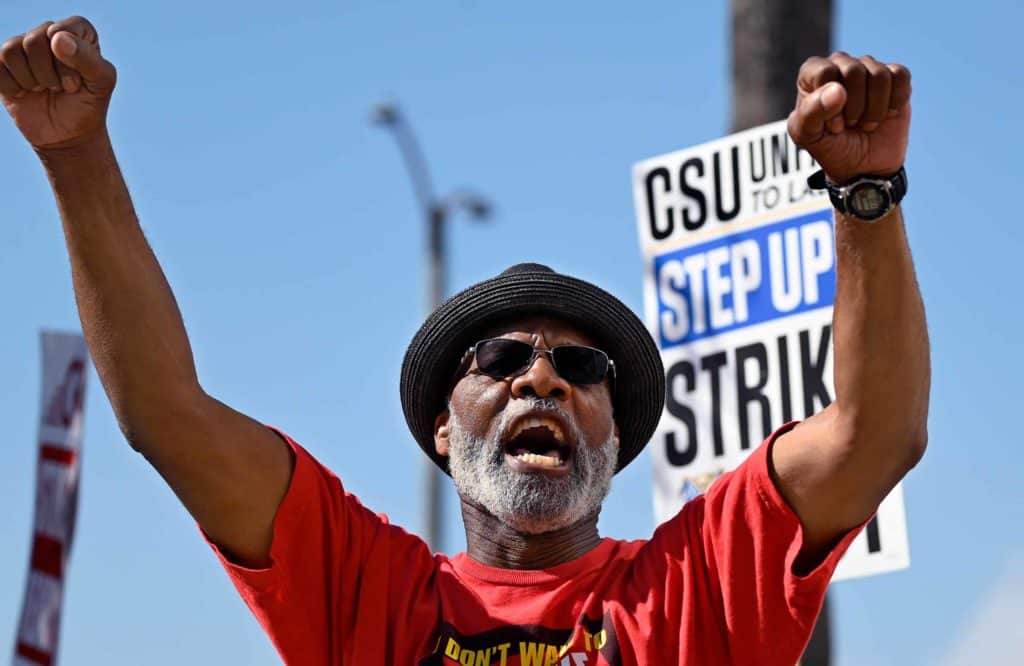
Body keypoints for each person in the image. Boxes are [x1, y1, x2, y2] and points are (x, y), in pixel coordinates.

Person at [1, 16, 929, 666]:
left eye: (581, 367)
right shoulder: (368, 593)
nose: (542, 379)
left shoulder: (692, 587)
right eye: (499, 358)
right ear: (443, 427)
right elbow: (165, 414)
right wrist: (76, 156)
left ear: (613, 434)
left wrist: (866, 197)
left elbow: (874, 432)